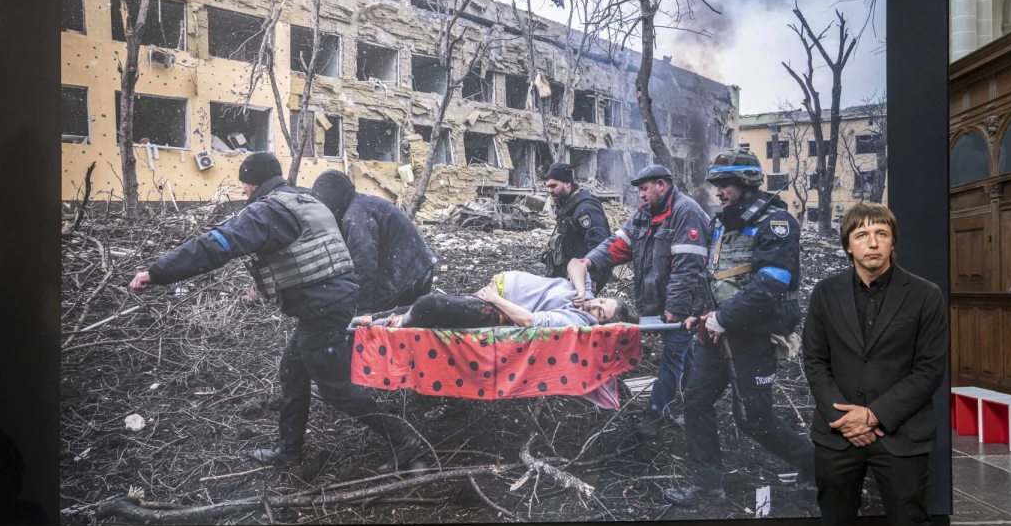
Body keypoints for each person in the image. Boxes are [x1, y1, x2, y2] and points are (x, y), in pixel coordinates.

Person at [129, 152, 425, 471]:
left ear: (253, 183)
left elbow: (216, 244)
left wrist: (158, 272)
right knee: (293, 370)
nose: (243, 191)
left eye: (244, 185)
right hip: (331, 298)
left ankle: (402, 438)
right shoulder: (302, 198)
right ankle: (289, 453)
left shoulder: (268, 211)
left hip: (323, 304)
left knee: (334, 386)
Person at [787, 202, 949, 526]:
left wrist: (873, 416)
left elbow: (929, 371)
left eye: (881, 233)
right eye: (862, 235)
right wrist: (846, 418)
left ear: (893, 241)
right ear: (848, 244)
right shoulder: (826, 292)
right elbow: (813, 360)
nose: (872, 242)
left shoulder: (925, 296)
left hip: (899, 437)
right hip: (838, 436)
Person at [665, 151, 813, 506]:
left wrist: (723, 317)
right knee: (696, 400)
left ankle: (818, 465)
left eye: (725, 184)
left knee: (753, 419)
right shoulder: (720, 224)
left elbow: (772, 282)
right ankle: (707, 486)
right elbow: (713, 278)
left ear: (746, 183)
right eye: (716, 185)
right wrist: (698, 313)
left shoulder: (776, 223)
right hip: (717, 333)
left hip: (755, 336)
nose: (718, 192)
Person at [577, 164, 709, 439]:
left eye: (645, 189)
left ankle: (656, 413)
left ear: (662, 185)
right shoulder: (643, 215)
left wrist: (676, 309)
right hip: (657, 302)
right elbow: (618, 244)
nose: (641, 195)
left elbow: (688, 268)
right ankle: (697, 403)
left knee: (672, 357)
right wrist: (589, 261)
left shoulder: (687, 213)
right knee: (685, 354)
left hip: (683, 305)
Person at [310, 170, 437, 317]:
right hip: (417, 268)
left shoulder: (356, 217)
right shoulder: (361, 204)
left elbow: (364, 266)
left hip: (407, 275)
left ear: (333, 205)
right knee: (404, 323)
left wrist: (363, 312)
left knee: (382, 322)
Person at [383, 265, 636, 330]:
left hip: (499, 308)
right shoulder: (586, 296)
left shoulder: (577, 321)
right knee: (413, 306)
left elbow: (528, 320)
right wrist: (581, 290)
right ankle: (368, 319)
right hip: (495, 294)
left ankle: (385, 325)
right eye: (602, 301)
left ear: (600, 324)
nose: (595, 305)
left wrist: (495, 298)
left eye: (600, 312)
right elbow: (575, 264)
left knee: (428, 305)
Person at [541, 162, 612, 292]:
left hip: (584, 274)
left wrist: (593, 277)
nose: (550, 190)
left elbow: (599, 244)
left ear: (568, 183)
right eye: (548, 187)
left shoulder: (585, 209)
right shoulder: (567, 204)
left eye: (553, 186)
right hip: (572, 272)